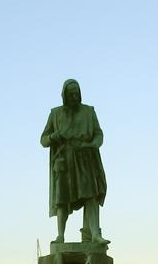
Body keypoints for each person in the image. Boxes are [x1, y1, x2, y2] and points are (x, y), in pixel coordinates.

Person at [40, 79, 109, 244]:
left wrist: (93, 144)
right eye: (70, 94)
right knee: (61, 199)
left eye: (76, 94)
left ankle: (94, 234)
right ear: (64, 96)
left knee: (91, 196)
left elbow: (98, 134)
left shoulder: (89, 112)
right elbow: (43, 140)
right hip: (64, 159)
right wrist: (53, 136)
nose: (74, 97)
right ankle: (60, 236)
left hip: (85, 157)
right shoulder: (55, 114)